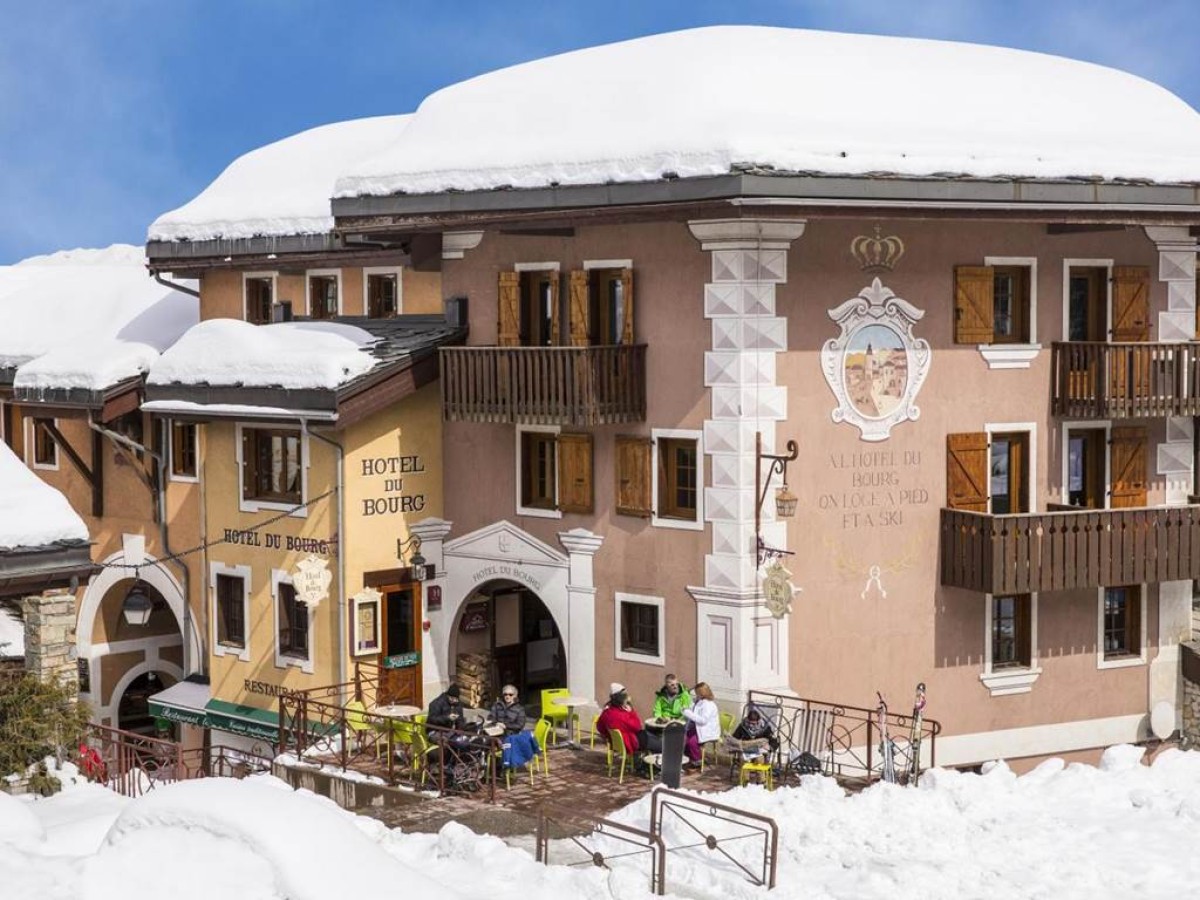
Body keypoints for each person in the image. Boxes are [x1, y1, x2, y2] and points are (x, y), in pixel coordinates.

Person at [597, 683, 662, 758]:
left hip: (618, 743)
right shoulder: (622, 715)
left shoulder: (606, 712)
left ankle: (646, 761)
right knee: (662, 745)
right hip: (632, 742)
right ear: (622, 699)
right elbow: (638, 727)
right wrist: (631, 711)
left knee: (652, 735)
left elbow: (599, 726)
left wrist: (609, 736)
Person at [488, 685, 538, 770]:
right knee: (481, 740)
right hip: (496, 731)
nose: (507, 696)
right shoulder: (497, 705)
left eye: (510, 694)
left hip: (510, 734)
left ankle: (501, 767)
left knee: (499, 744)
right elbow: (490, 717)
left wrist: (505, 726)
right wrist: (496, 723)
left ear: (515, 696)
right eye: (505, 694)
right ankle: (486, 766)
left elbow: (520, 725)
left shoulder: (519, 709)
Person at [681, 681, 719, 768]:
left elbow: (703, 720)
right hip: (698, 728)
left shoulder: (709, 705)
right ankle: (689, 758)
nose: (695, 695)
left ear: (702, 693)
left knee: (692, 742)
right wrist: (686, 708)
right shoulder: (699, 701)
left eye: (697, 693)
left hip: (707, 730)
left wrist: (688, 713)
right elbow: (692, 709)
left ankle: (697, 760)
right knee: (683, 739)